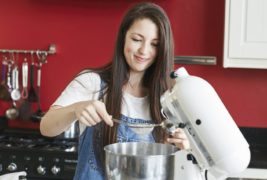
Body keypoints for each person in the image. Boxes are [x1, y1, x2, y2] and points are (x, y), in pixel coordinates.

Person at [40, 2, 190, 180]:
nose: (144, 50)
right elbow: (46, 127)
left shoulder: (168, 98)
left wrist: (183, 150)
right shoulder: (92, 83)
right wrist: (76, 108)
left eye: (155, 44)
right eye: (137, 39)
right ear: (124, 37)